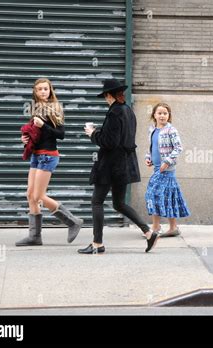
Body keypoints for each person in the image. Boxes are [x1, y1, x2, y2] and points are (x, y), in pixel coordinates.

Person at [79, 78, 159, 254]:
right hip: (124, 164)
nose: (106, 100)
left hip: (110, 166)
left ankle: (97, 243)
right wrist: (101, 132)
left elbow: (110, 142)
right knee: (119, 203)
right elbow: (120, 137)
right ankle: (148, 232)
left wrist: (93, 134)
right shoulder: (128, 110)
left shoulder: (114, 112)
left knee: (97, 201)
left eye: (105, 97)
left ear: (109, 95)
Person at [16, 78, 83, 246]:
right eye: (40, 89)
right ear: (35, 92)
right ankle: (34, 236)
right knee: (30, 195)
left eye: (46, 89)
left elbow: (61, 134)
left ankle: (72, 221)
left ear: (50, 90)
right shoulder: (36, 109)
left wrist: (43, 125)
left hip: (48, 156)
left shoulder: (55, 109)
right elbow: (37, 136)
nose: (43, 92)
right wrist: (26, 139)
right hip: (36, 155)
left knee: (39, 195)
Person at [145, 103, 190, 237]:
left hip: (167, 170)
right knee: (166, 196)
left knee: (153, 194)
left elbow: (178, 148)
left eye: (165, 113)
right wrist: (148, 158)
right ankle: (172, 227)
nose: (162, 115)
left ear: (169, 116)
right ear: (154, 115)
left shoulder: (171, 130)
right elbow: (151, 147)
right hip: (157, 169)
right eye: (159, 113)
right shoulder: (152, 130)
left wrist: (167, 161)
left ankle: (156, 227)